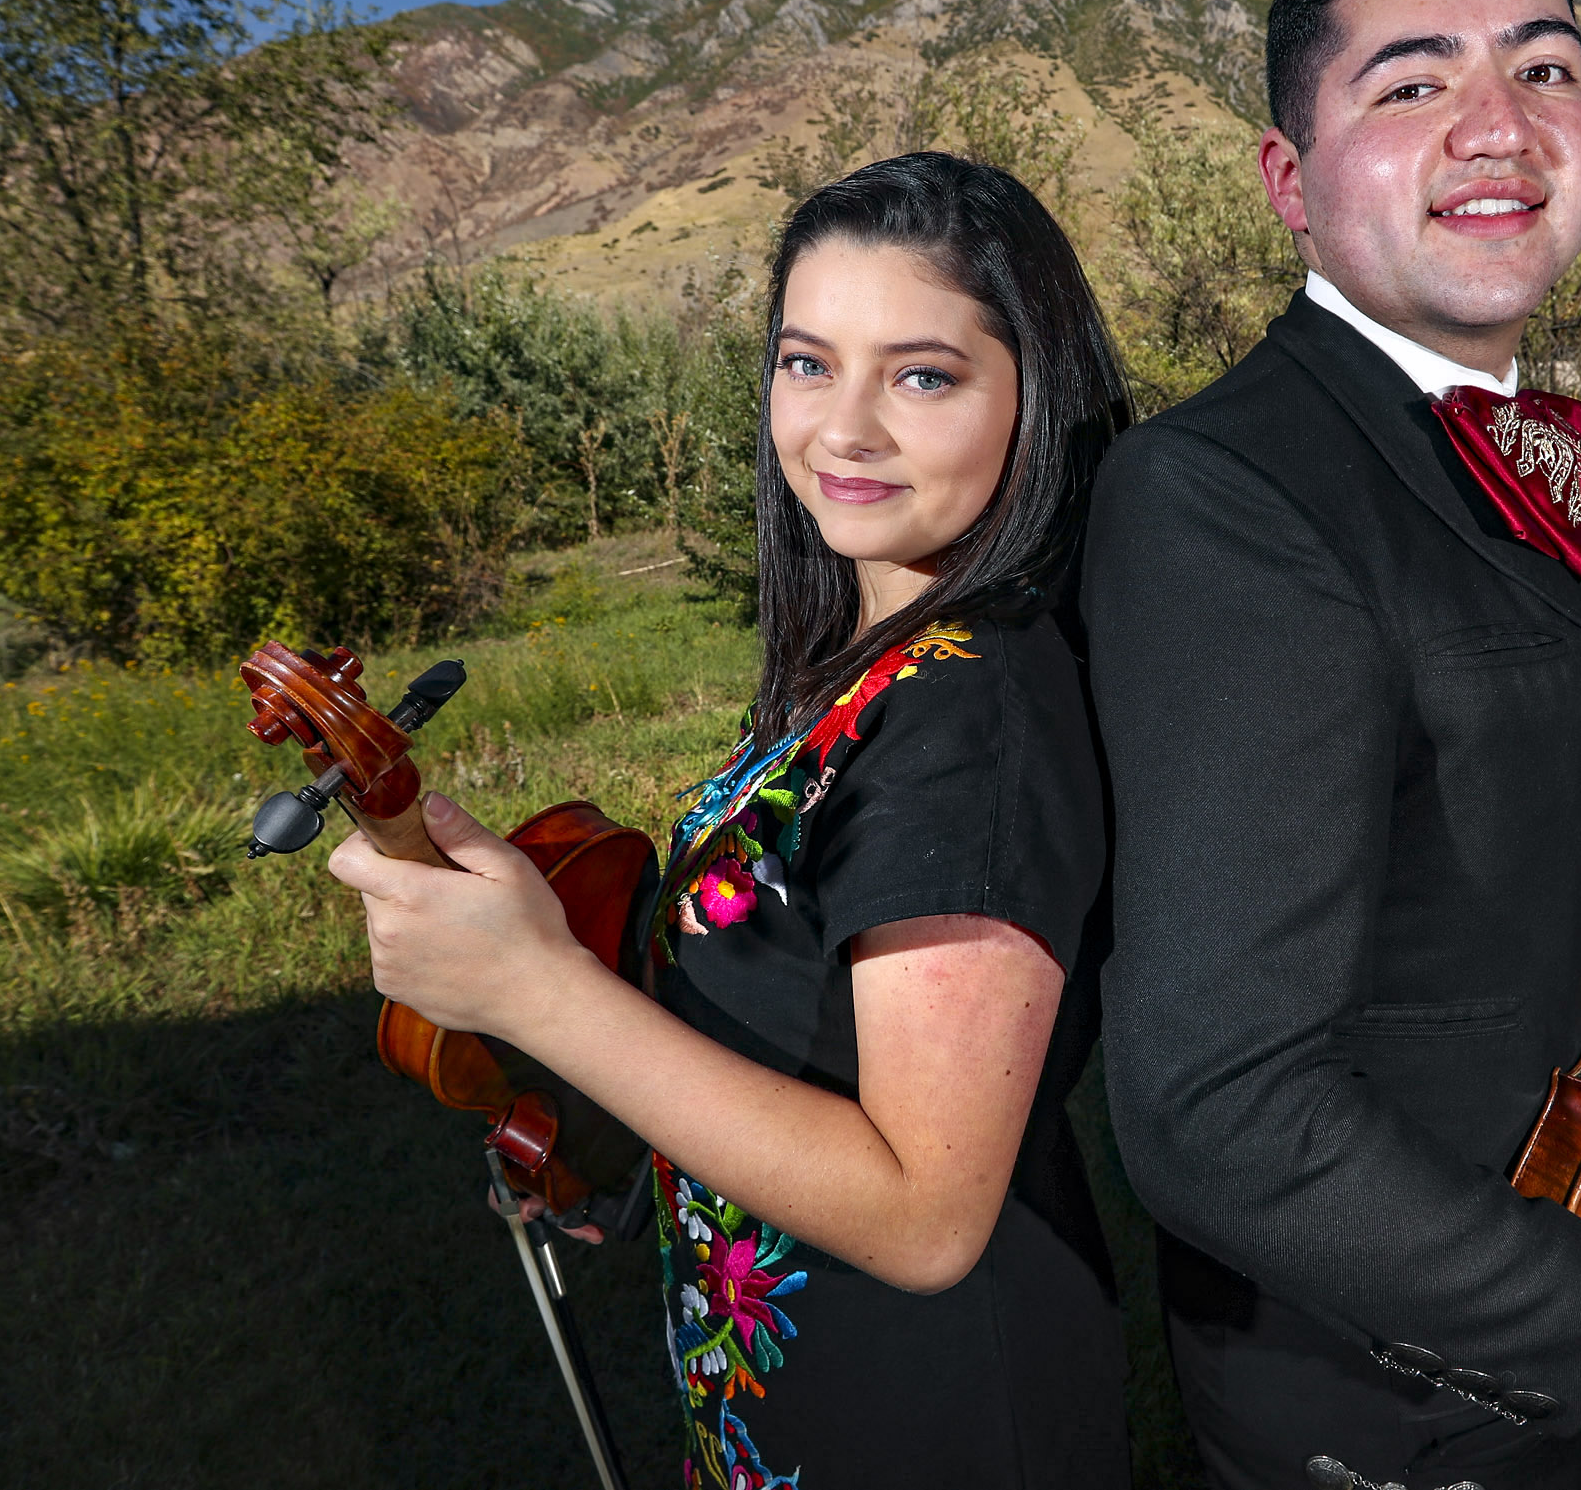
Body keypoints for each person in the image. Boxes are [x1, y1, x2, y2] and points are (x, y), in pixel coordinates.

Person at [1081, 0, 1581, 1490]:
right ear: (1290, 181)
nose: (1499, 123)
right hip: (1375, 1397)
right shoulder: (1229, 488)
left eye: (1546, 68)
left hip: (1545, 1282)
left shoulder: (1518, 451)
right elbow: (1217, 1106)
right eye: (1414, 80)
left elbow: (1472, 780)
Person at [330, 153, 1134, 1489]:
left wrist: (537, 993)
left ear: (1030, 399)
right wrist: (628, 1142)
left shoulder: (969, 721)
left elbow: (926, 1211)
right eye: (807, 363)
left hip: (928, 1421)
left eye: (922, 374)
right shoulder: (875, 656)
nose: (843, 428)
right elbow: (793, 1017)